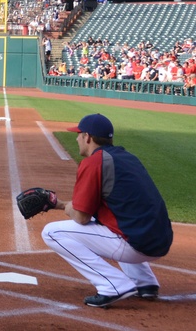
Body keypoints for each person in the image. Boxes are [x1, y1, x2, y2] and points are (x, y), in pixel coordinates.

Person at [42, 114, 173, 308]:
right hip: (161, 240)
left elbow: (81, 217)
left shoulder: (94, 162)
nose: (77, 138)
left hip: (136, 246)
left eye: (79, 134)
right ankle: (145, 283)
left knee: (51, 232)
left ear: (88, 137)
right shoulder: (127, 157)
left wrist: (62, 206)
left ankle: (113, 285)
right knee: (116, 220)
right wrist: (63, 205)